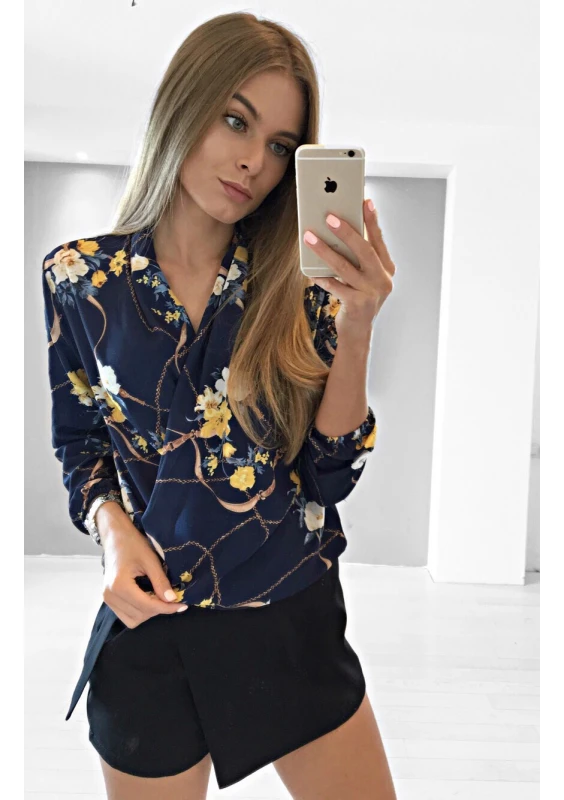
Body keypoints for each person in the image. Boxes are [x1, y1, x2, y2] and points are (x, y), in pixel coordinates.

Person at [41, 11, 396, 799]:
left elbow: (330, 476)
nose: (253, 163)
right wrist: (112, 533)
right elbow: (81, 444)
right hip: (152, 627)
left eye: (280, 145)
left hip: (289, 617)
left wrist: (359, 325)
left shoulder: (302, 289)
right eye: (236, 120)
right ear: (183, 104)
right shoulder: (78, 279)